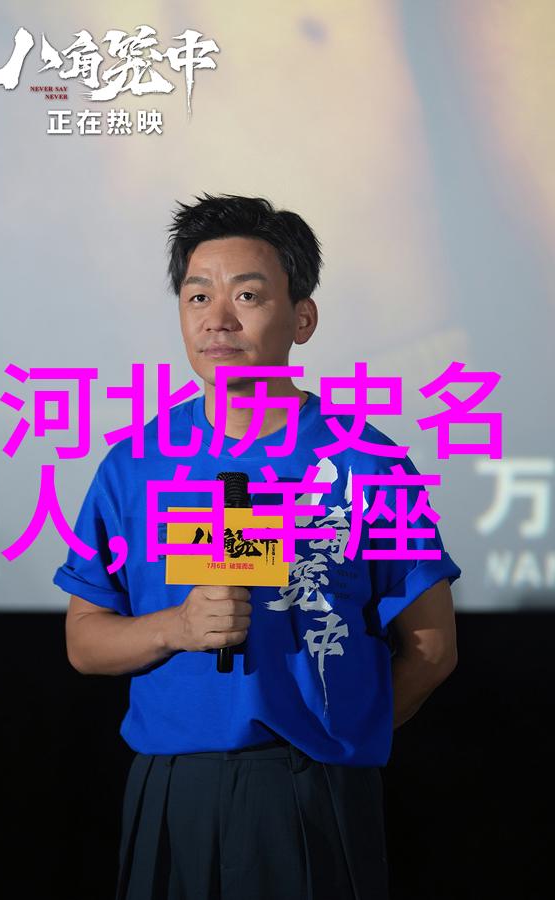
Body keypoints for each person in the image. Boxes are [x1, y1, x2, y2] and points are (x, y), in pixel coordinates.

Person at [53, 193, 461, 900]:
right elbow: (85, 642)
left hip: (310, 789)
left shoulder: (365, 462)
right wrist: (177, 628)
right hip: (172, 789)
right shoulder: (134, 463)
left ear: (302, 318)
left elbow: (432, 649)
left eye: (247, 295)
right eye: (198, 296)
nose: (218, 319)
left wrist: (334, 735)